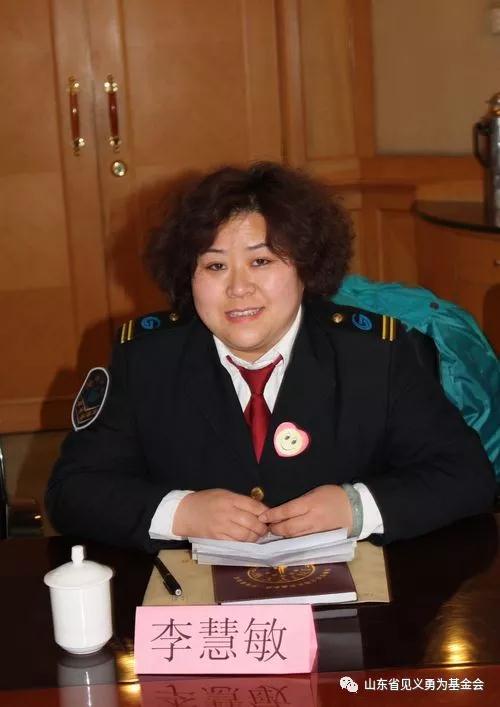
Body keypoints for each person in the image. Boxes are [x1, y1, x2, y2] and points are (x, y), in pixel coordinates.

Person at [46, 162, 496, 552]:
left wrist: (358, 507)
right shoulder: (145, 360)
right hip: (200, 607)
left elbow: (468, 476)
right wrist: (179, 513)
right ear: (188, 277)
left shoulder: (377, 356)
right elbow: (73, 491)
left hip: (351, 604)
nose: (239, 288)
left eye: (261, 262)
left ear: (305, 266)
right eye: (215, 266)